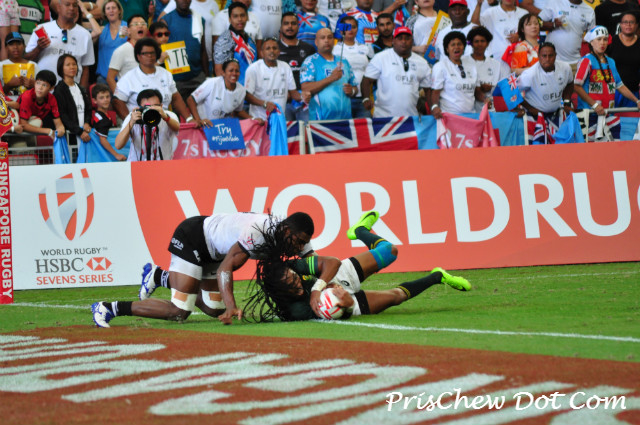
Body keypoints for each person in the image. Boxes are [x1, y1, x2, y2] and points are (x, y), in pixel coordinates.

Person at [91, 212, 316, 327]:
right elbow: (225, 269)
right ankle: (109, 308)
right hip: (194, 238)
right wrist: (232, 307)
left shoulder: (297, 235)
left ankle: (160, 277)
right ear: (287, 230)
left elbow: (317, 262)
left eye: (303, 243)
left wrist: (323, 287)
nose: (299, 248)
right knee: (180, 311)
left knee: (213, 309)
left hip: (215, 253)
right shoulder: (258, 231)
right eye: (298, 242)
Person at [243, 211, 471, 322]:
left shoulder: (294, 266)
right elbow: (338, 313)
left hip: (334, 277)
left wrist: (318, 287)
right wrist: (347, 303)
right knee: (396, 297)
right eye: (292, 285)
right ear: (282, 292)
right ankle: (437, 277)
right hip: (337, 300)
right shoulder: (295, 311)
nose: (295, 282)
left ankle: (360, 230)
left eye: (294, 277)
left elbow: (332, 263)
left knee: (390, 251)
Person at [574, 26, 640, 142]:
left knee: (614, 148)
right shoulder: (586, 61)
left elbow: (620, 85)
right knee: (590, 151)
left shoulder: (611, 61)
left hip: (609, 115)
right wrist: (595, 105)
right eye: (599, 39)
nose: (602, 43)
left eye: (605, 39)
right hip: (589, 116)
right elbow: (576, 86)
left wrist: (637, 101)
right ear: (591, 42)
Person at [113, 38, 193, 121]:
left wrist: (189, 118)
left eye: (152, 53)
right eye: (145, 53)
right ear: (138, 56)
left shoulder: (166, 74)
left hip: (164, 121)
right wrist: (130, 122)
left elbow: (176, 98)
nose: (149, 56)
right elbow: (117, 101)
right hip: (140, 123)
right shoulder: (128, 78)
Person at [361, 26, 431, 117]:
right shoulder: (381, 58)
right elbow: (366, 80)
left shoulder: (422, 62)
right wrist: (366, 98)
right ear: (393, 41)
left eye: (407, 38)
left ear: (412, 41)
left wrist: (433, 107)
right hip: (383, 117)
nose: (403, 41)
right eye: (400, 38)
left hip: (410, 118)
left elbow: (428, 89)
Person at [25, 0, 95, 88]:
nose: (71, 8)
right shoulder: (42, 29)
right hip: (42, 90)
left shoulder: (85, 35)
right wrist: (38, 48)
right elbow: (26, 59)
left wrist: (82, 92)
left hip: (70, 91)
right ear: (58, 7)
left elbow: (85, 69)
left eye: (75, 5)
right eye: (67, 4)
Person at [517, 42, 574, 144]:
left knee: (560, 147)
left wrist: (567, 102)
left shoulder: (565, 68)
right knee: (537, 148)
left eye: (550, 55)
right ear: (538, 56)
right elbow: (513, 92)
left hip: (556, 115)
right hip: (535, 117)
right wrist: (531, 108)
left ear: (555, 56)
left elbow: (570, 83)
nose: (547, 59)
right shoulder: (529, 74)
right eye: (544, 56)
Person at [300, 27, 357, 120]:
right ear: (316, 42)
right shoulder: (310, 61)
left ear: (333, 41)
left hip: (345, 118)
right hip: (320, 120)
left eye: (329, 37)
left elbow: (354, 87)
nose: (326, 40)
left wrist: (352, 91)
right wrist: (331, 78)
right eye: (322, 38)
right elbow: (305, 88)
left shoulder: (344, 61)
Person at [431, 31, 488, 119]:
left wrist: (485, 99)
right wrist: (434, 107)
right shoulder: (440, 66)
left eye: (459, 44)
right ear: (447, 49)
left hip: (471, 117)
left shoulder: (471, 65)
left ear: (463, 47)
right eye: (452, 45)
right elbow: (435, 92)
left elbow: (477, 92)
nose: (456, 47)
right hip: (449, 117)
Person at [115, 88, 180, 160]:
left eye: (155, 106)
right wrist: (131, 123)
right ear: (139, 107)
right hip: (137, 164)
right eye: (147, 107)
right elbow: (118, 145)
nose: (151, 109)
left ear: (161, 106)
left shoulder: (169, 115)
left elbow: (177, 128)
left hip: (163, 164)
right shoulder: (133, 116)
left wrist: (166, 118)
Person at [187, 59, 256, 126]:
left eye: (237, 71)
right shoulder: (212, 83)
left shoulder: (241, 90)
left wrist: (253, 119)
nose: (234, 73)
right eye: (231, 70)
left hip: (221, 127)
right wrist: (199, 120)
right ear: (223, 73)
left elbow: (238, 111)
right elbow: (191, 99)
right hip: (203, 125)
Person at [162, 0, 208, 101]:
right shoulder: (166, 20)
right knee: (179, 109)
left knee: (202, 108)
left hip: (197, 75)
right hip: (176, 79)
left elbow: (203, 49)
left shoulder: (199, 19)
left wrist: (206, 75)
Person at [245, 39, 301, 121]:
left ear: (279, 52)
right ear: (262, 53)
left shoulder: (285, 67)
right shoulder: (253, 69)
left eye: (275, 48)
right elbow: (247, 96)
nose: (272, 51)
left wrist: (303, 96)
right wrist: (264, 103)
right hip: (259, 119)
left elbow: (293, 93)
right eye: (268, 48)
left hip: (279, 119)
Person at [332, 16, 373, 118]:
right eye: (347, 27)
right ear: (341, 30)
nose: (350, 30)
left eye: (354, 27)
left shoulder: (365, 48)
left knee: (365, 126)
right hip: (343, 97)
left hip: (363, 98)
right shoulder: (334, 50)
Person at [277, 12, 315, 122]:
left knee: (307, 131)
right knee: (287, 132)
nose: (290, 26)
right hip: (283, 101)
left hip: (305, 101)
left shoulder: (309, 49)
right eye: (286, 23)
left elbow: (315, 74)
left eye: (293, 23)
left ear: (298, 26)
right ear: (281, 27)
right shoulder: (274, 49)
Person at [539, 0, 595, 72]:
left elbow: (593, 38)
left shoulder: (589, 11)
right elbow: (537, 22)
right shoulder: (555, 3)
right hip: (552, 61)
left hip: (576, 62)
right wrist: (552, 25)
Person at [82, 0, 128, 85]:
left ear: (119, 11)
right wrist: (85, 11)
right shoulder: (101, 30)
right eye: (108, 8)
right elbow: (87, 41)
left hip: (124, 78)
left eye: (113, 8)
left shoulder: (127, 28)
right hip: (104, 79)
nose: (111, 11)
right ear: (105, 13)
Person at [213, 2, 258, 85]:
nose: (239, 19)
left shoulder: (250, 39)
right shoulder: (225, 39)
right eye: (235, 16)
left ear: (247, 17)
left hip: (252, 87)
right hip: (235, 89)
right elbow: (219, 71)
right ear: (230, 19)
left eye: (242, 15)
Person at [468, 26, 509, 112]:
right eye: (476, 41)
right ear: (471, 43)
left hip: (491, 110)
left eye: (482, 41)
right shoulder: (464, 62)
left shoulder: (496, 64)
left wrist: (492, 87)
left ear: (487, 43)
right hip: (469, 111)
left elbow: (505, 87)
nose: (479, 44)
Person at [16, 70, 66, 141]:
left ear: (51, 88)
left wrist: (61, 129)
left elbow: (58, 122)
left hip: (33, 126)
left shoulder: (52, 99)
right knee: (37, 121)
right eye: (38, 83)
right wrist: (47, 131)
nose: (40, 87)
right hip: (16, 126)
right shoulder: (27, 96)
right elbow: (23, 125)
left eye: (44, 85)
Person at [54, 54, 92, 146]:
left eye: (74, 64)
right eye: (68, 65)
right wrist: (79, 131)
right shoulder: (59, 90)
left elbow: (88, 109)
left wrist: (87, 122)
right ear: (61, 68)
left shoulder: (81, 88)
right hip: (70, 135)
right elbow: (63, 115)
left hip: (85, 134)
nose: (72, 67)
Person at [106, 14, 149, 93]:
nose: (140, 26)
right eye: (135, 24)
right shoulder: (121, 50)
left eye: (143, 24)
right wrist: (119, 96)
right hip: (129, 96)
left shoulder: (150, 50)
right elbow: (110, 78)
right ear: (128, 30)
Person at [606, 11, 640, 107]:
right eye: (625, 22)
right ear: (620, 24)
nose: (628, 25)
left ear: (636, 25)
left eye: (631, 22)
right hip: (612, 90)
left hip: (633, 91)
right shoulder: (611, 41)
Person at [91, 83, 127, 161]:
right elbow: (102, 140)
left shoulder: (106, 115)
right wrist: (116, 155)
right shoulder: (101, 119)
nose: (106, 100)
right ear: (94, 101)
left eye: (107, 97)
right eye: (101, 98)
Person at [0, 32, 39, 101]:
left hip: (29, 104)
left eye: (18, 43)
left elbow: (43, 90)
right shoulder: (1, 66)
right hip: (7, 105)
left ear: (24, 46)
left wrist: (34, 85)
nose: (15, 47)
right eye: (11, 44)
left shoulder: (34, 65)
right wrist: (8, 85)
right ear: (6, 48)